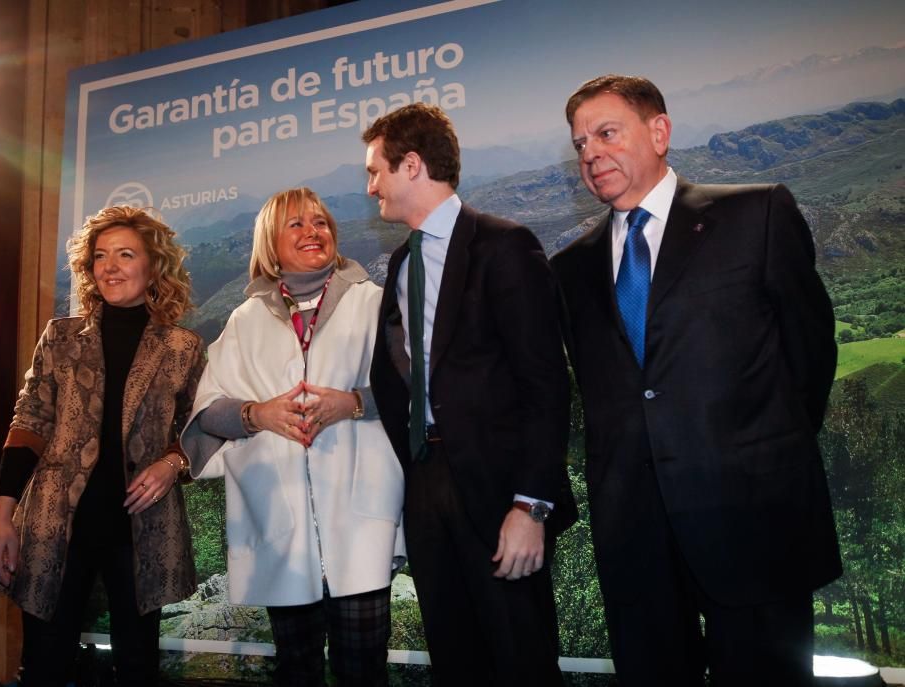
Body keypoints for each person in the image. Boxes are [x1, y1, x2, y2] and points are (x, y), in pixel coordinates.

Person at [550, 74, 842, 686]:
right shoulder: (570, 270)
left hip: (753, 518)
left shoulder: (755, 214)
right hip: (635, 532)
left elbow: (808, 354)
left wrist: (757, 451)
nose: (591, 153)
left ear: (659, 131)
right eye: (579, 144)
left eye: (607, 133)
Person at [363, 103, 575, 685]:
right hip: (428, 482)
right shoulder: (404, 261)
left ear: (411, 165)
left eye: (375, 170)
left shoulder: (504, 245)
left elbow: (546, 384)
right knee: (456, 657)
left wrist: (531, 506)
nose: (370, 185)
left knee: (520, 657)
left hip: (500, 492)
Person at [180, 187, 404, 687]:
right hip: (282, 528)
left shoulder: (373, 302)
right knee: (296, 670)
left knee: (363, 670)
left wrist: (352, 402)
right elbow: (208, 412)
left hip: (360, 520)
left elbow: (412, 387)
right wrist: (256, 414)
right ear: (269, 242)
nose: (313, 232)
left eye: (320, 222)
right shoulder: (245, 320)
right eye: (296, 225)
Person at [0, 206, 205, 685]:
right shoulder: (60, 337)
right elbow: (29, 422)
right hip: (54, 523)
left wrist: (172, 463)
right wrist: (1, 515)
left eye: (125, 254)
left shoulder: (183, 346)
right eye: (100, 256)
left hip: (141, 528)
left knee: (138, 666)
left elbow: (195, 431)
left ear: (153, 266)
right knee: (43, 664)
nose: (110, 266)